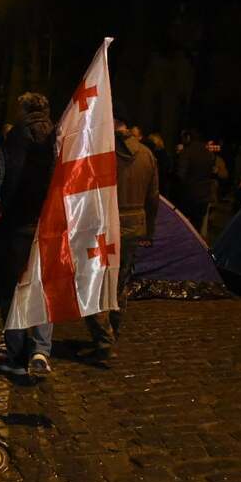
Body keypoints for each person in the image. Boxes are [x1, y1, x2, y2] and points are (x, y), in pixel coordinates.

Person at [84, 115, 159, 359]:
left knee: (94, 283)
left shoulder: (103, 153)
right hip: (133, 226)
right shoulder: (147, 154)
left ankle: (104, 338)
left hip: (105, 225)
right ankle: (113, 330)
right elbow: (153, 197)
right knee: (120, 281)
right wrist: (149, 229)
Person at [0, 93, 55, 376]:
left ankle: (16, 355)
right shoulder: (58, 139)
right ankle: (41, 350)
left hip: (15, 227)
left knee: (13, 290)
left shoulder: (12, 140)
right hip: (49, 226)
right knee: (44, 288)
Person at [176, 128, 217, 231]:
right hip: (204, 195)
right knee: (197, 227)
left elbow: (181, 174)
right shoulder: (208, 153)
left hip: (189, 196)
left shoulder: (187, 152)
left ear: (188, 137)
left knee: (185, 226)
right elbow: (212, 171)